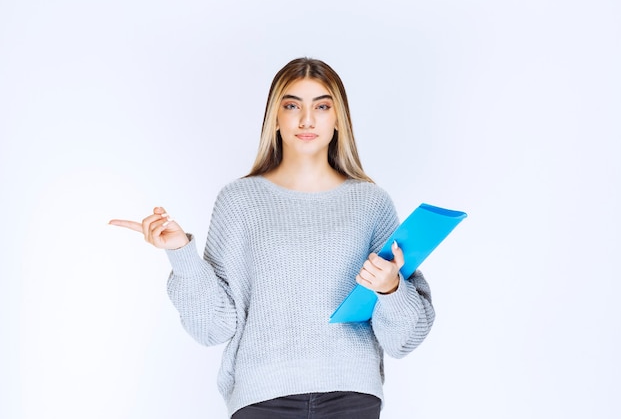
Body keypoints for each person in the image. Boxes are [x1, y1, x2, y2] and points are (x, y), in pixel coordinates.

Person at [109, 57, 435, 419]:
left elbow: (404, 338)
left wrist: (390, 289)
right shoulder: (239, 201)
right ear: (275, 119)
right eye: (292, 105)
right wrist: (182, 254)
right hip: (262, 397)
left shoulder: (371, 204)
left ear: (338, 119)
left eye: (322, 106)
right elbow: (214, 328)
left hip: (351, 395)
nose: (306, 119)